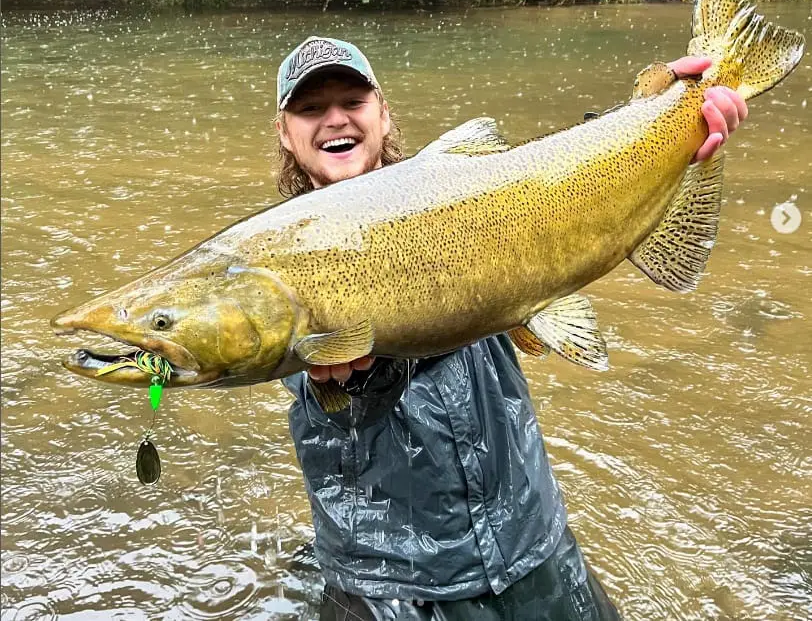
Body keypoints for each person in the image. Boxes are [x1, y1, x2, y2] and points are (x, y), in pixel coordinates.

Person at [273, 36, 748, 621]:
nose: (335, 120)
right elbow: (337, 406)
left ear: (383, 114)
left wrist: (657, 116)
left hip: (530, 543)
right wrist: (354, 378)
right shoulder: (275, 262)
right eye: (311, 109)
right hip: (389, 584)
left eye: (352, 100)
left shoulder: (474, 196)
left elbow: (559, 184)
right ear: (286, 134)